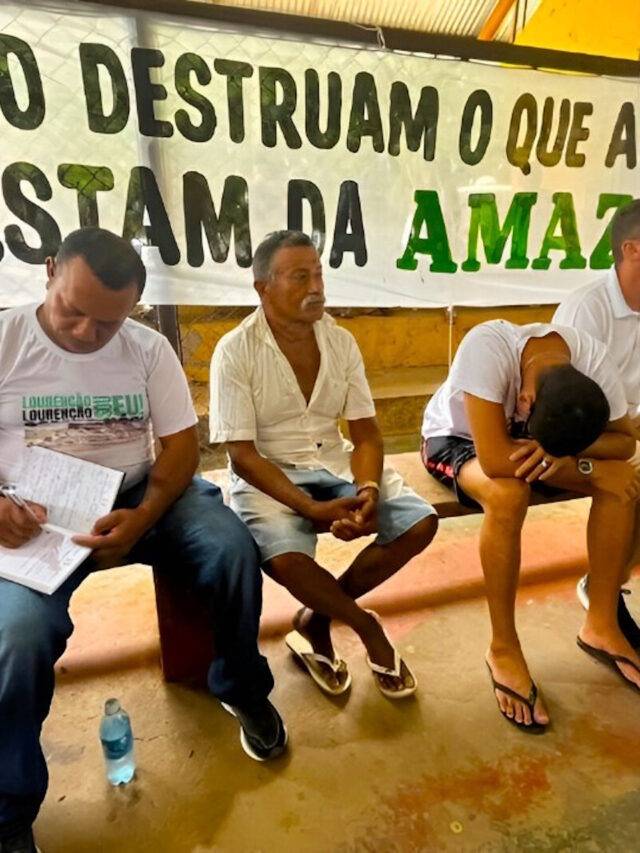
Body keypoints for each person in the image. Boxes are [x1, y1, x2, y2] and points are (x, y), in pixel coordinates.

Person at [0, 229, 285, 853]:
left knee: (231, 551)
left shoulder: (147, 348)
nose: (86, 333)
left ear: (133, 306)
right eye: (73, 310)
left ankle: (242, 687)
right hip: (31, 515)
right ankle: (9, 812)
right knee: (16, 636)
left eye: (108, 322)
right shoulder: (5, 340)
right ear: (48, 272)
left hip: (138, 495)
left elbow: (181, 446)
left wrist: (146, 513)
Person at [210, 230, 437, 699]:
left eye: (318, 275)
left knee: (420, 523)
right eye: (300, 277)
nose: (316, 287)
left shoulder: (340, 342)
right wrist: (309, 508)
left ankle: (316, 619)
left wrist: (368, 488)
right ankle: (364, 625)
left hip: (333, 462)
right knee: (283, 557)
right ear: (263, 288)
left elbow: (366, 433)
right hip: (268, 474)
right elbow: (242, 455)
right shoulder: (234, 351)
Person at [421, 318, 640, 734]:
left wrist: (574, 459)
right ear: (525, 399)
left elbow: (624, 440)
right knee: (508, 495)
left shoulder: (592, 358)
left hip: (550, 449)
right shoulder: (486, 347)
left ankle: (602, 624)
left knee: (623, 482)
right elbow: (495, 461)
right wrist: (592, 470)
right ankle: (503, 648)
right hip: (463, 440)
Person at [554, 199, 640, 648]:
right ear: (632, 250)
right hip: (582, 436)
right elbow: (568, 414)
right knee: (631, 478)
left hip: (629, 433)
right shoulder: (587, 309)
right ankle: (605, 596)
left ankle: (608, 580)